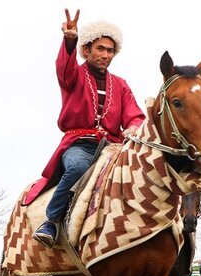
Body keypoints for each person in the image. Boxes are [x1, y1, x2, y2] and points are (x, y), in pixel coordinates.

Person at [31, 9, 145, 248]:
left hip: (113, 147)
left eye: (110, 50)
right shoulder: (74, 76)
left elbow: (135, 115)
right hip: (79, 144)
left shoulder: (121, 85)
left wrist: (134, 127)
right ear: (87, 50)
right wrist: (69, 40)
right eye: (100, 49)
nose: (105, 55)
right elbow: (64, 68)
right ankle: (50, 221)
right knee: (78, 168)